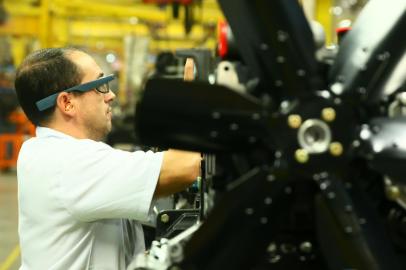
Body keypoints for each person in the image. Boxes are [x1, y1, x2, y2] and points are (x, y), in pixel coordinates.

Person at [14, 47, 201, 269]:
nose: (110, 95)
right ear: (67, 103)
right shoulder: (71, 163)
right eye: (100, 86)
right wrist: (194, 104)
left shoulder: (38, 150)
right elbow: (186, 167)